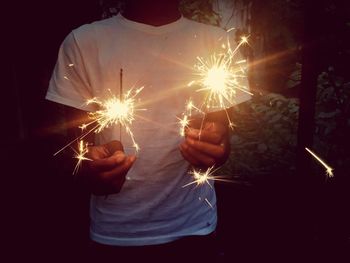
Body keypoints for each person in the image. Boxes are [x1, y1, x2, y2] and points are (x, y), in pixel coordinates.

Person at [46, 0, 250, 261]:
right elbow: (77, 150)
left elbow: (221, 137)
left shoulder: (217, 42)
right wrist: (91, 170)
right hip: (114, 233)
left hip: (194, 227)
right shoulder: (82, 42)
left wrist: (216, 150)